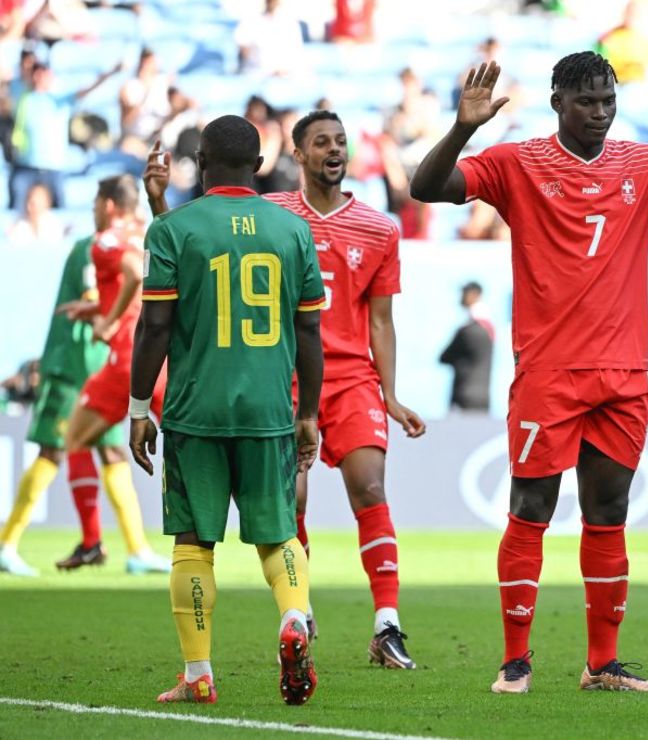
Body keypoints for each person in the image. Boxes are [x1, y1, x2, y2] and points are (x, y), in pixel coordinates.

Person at [410, 52, 648, 693]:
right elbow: (427, 189)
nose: (600, 113)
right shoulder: (516, 164)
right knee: (532, 506)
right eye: (587, 102)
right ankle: (516, 660)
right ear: (558, 103)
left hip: (624, 372)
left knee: (609, 510)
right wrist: (462, 129)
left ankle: (603, 664)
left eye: (608, 101)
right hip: (549, 371)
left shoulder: (645, 165)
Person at [143, 109, 427, 670]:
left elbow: (381, 321)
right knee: (289, 502)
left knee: (369, 486)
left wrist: (390, 394)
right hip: (281, 377)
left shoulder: (379, 228)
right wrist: (159, 207)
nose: (334, 149)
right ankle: (298, 612)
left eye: (341, 141)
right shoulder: (267, 214)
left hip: (348, 379)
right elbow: (194, 246)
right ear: (296, 154)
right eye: (321, 141)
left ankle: (387, 623)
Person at [129, 114, 325, 705]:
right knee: (279, 536)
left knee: (193, 542)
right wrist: (308, 412)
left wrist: (140, 405)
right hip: (269, 411)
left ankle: (198, 674)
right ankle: (294, 617)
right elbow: (310, 333)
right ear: (261, 165)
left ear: (202, 164)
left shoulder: (174, 229)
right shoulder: (293, 231)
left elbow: (156, 325)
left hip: (195, 413)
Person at [53, 174, 172, 575]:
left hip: (126, 359)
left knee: (74, 439)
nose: (91, 212)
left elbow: (134, 276)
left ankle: (91, 542)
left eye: (92, 205)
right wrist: (96, 311)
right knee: (182, 438)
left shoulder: (104, 239)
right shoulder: (144, 229)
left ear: (106, 205)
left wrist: (106, 323)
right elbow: (141, 283)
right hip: (158, 355)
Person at [0, 224, 133, 576]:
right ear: (114, 209)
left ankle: (135, 549)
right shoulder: (97, 248)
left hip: (100, 366)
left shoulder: (117, 247)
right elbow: (95, 298)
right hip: (72, 367)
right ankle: (6, 543)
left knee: (111, 451)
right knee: (54, 450)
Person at [9, 60, 121, 213]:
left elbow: (87, 90)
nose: (39, 77)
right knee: (16, 211)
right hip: (25, 166)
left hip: (53, 168)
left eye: (43, 73)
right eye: (36, 73)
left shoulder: (60, 99)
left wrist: (110, 73)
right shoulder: (22, 97)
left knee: (59, 213)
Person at [439, 281, 494, 413]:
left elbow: (444, 357)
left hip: (463, 397)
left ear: (475, 295)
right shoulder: (488, 329)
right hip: (482, 397)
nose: (461, 297)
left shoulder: (469, 330)